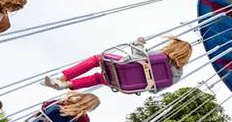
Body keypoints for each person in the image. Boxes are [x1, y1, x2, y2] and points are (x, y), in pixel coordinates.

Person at [41, 36, 192, 92]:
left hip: (122, 68)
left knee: (97, 59)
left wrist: (138, 43)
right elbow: (154, 90)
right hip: (126, 85)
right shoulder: (177, 76)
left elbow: (138, 57)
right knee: (99, 78)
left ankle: (62, 79)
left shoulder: (161, 56)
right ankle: (66, 85)